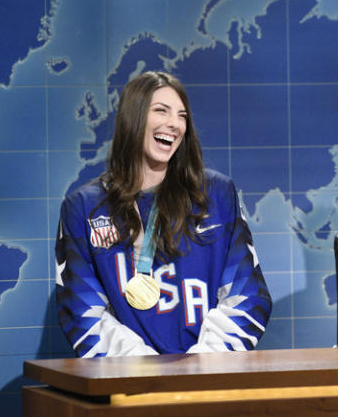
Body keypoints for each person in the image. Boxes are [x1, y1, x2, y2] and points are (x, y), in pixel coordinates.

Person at [55, 71, 271, 357]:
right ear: (134, 118)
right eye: (161, 111)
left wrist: (202, 366)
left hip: (208, 377)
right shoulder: (84, 207)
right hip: (130, 386)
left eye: (182, 116)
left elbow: (247, 295)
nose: (174, 124)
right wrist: (146, 372)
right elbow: (81, 311)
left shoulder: (217, 194)